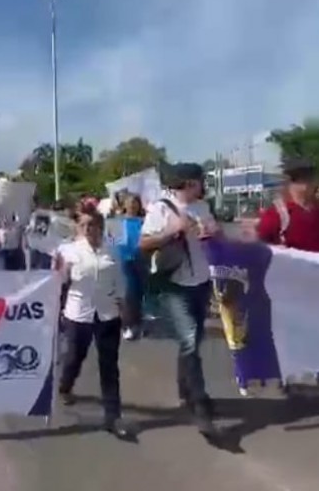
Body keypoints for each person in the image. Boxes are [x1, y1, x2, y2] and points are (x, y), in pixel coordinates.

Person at [139, 162, 219, 437]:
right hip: (175, 285)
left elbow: (212, 236)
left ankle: (185, 388)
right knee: (189, 341)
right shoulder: (160, 208)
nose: (203, 185)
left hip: (201, 282)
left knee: (193, 341)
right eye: (199, 181)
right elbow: (144, 244)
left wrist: (212, 232)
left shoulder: (203, 207)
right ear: (188, 183)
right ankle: (199, 403)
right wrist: (173, 231)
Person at [53, 207, 132, 440]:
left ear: (101, 227)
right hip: (78, 315)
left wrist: (124, 307)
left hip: (107, 315)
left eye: (93, 224)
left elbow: (120, 281)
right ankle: (65, 385)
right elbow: (57, 282)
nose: (88, 229)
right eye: (84, 225)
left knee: (109, 367)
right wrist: (62, 273)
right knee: (74, 358)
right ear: (78, 228)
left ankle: (113, 416)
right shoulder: (68, 251)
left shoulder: (112, 251)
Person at [256, 158, 319, 252]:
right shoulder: (277, 214)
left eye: (310, 178)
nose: (309, 184)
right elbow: (261, 248)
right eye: (302, 179)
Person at [118, 195, 147, 340]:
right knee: (128, 293)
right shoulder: (118, 222)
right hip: (123, 261)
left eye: (135, 203)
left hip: (141, 260)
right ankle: (127, 325)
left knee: (140, 293)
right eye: (129, 203)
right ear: (124, 205)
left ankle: (138, 323)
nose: (132, 206)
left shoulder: (144, 222)